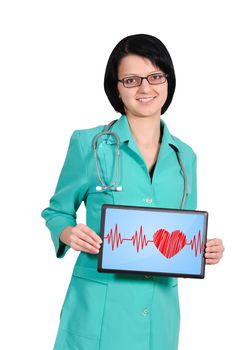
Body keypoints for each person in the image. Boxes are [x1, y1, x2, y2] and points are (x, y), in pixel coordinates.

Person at [41, 33, 224, 350]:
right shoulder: (89, 144)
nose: (145, 88)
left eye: (155, 76)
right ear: (116, 87)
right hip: (98, 310)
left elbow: (181, 232)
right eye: (131, 79)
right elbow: (57, 211)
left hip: (160, 315)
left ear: (168, 80)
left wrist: (204, 250)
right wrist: (67, 232)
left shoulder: (185, 158)